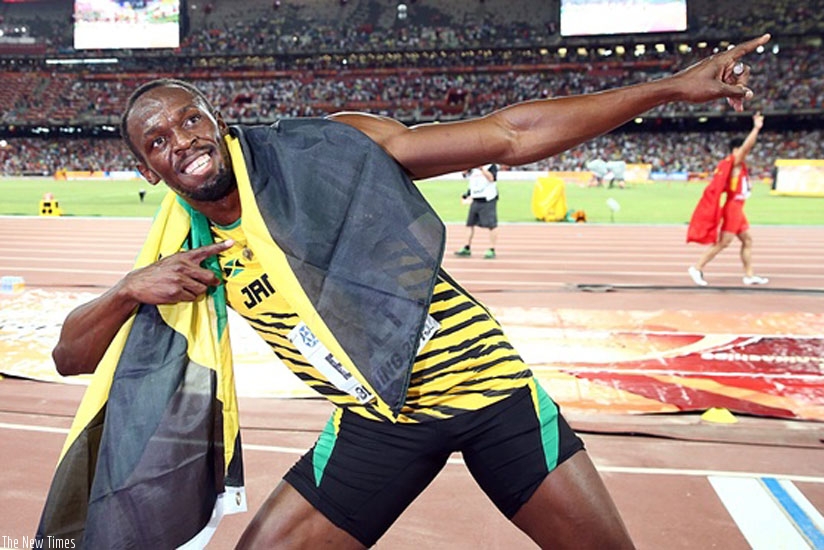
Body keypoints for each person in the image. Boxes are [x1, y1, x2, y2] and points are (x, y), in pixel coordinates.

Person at [43, 33, 769, 549]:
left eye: (188, 119)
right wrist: (128, 291)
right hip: (375, 420)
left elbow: (507, 136)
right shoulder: (184, 250)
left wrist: (672, 87)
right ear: (148, 170)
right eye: (158, 142)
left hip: (490, 395)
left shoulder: (323, 153)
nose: (182, 142)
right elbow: (71, 358)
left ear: (217, 118)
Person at [687, 112, 768, 286]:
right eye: (742, 150)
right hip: (733, 208)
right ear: (735, 150)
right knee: (724, 242)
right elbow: (746, 148)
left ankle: (749, 275)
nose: (746, 153)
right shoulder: (735, 162)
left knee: (747, 240)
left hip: (738, 208)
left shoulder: (739, 166)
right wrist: (756, 128)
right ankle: (697, 267)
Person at [454, 163, 499, 259]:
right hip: (475, 199)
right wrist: (467, 194)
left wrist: (482, 168)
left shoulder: (491, 166)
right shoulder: (472, 168)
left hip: (488, 199)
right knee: (469, 224)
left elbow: (491, 178)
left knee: (491, 225)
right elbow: (468, 178)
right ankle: (466, 247)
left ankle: (492, 249)